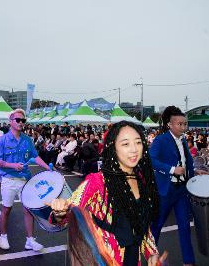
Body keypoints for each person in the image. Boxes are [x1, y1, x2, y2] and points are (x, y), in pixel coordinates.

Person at [49, 121, 161, 266]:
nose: (134, 149)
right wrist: (59, 213)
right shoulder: (97, 182)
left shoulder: (143, 182)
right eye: (125, 144)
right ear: (113, 148)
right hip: (103, 259)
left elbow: (142, 226)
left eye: (138, 142)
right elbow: (69, 212)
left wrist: (152, 254)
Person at [0, 108, 51, 251]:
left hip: (25, 179)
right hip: (9, 180)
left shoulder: (27, 139)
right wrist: (11, 165)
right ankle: (3, 236)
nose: (21, 123)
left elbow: (35, 156)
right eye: (18, 120)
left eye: (23, 120)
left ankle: (30, 240)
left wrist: (47, 168)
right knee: (6, 209)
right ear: (11, 121)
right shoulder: (3, 140)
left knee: (28, 210)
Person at [150, 106, 198, 266]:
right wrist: (171, 169)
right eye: (180, 124)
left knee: (185, 226)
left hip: (181, 191)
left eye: (185, 124)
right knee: (156, 226)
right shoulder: (161, 139)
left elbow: (188, 162)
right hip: (165, 190)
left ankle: (188, 262)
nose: (184, 127)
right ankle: (151, 258)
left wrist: (195, 173)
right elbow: (151, 160)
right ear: (170, 124)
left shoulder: (183, 140)